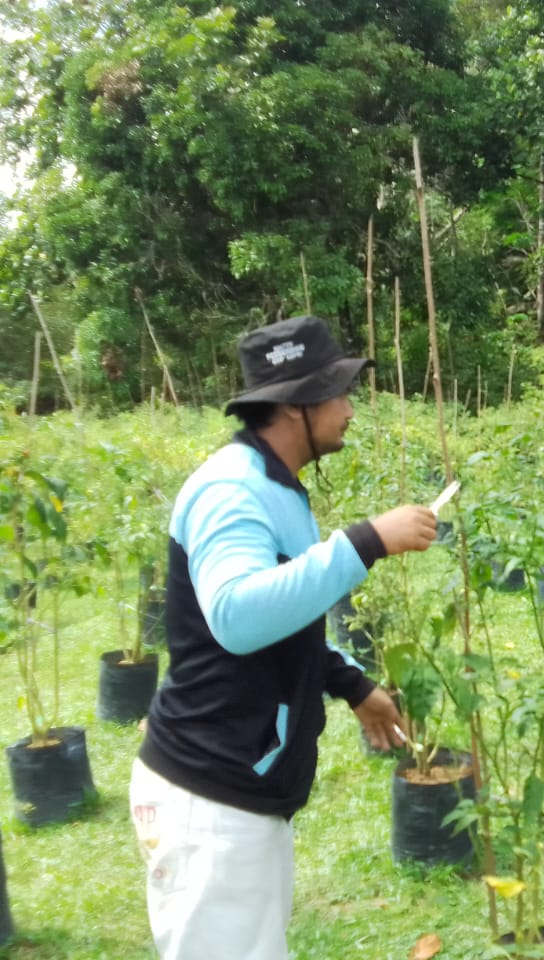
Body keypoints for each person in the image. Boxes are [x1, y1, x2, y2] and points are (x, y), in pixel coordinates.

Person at [130, 315, 440, 960]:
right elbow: (237, 616)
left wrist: (352, 685)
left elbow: (285, 614)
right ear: (296, 406)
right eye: (340, 393)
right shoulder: (230, 490)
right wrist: (366, 541)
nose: (351, 409)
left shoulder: (271, 485)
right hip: (211, 797)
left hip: (240, 786)